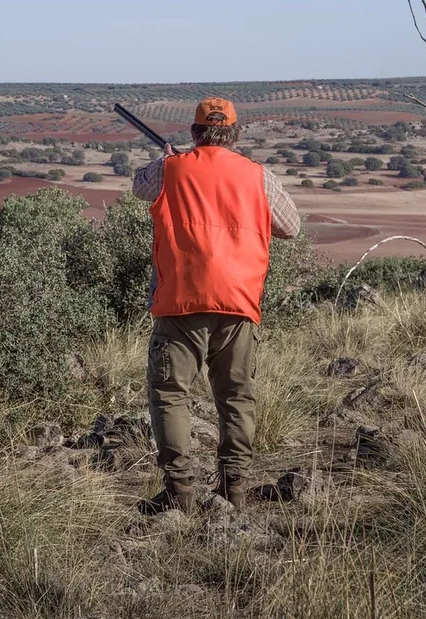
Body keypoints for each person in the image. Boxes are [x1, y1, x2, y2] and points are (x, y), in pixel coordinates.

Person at [131, 97, 300, 514]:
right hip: (239, 303)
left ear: (194, 132)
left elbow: (138, 186)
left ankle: (179, 493)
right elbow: (290, 228)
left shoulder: (170, 170)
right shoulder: (258, 177)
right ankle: (234, 491)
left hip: (180, 302)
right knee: (237, 397)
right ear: (236, 134)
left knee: (171, 395)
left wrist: (171, 161)